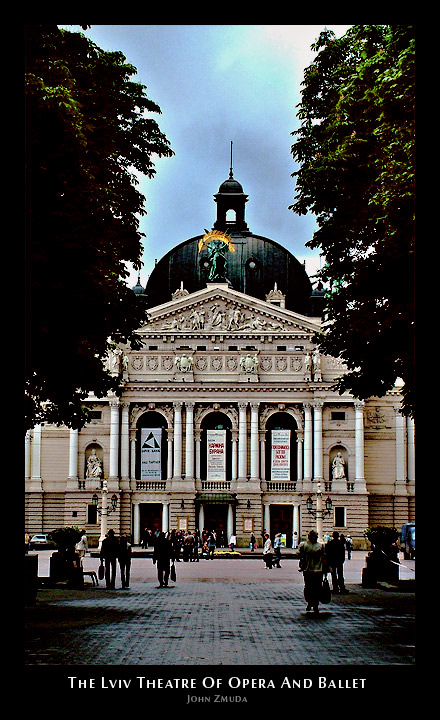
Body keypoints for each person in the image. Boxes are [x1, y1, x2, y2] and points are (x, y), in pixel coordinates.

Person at [298, 529, 327, 614]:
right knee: (315, 587)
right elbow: (325, 557)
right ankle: (313, 604)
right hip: (316, 570)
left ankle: (312, 603)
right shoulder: (320, 546)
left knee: (310, 587)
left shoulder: (304, 545)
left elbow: (298, 554)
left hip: (310, 570)